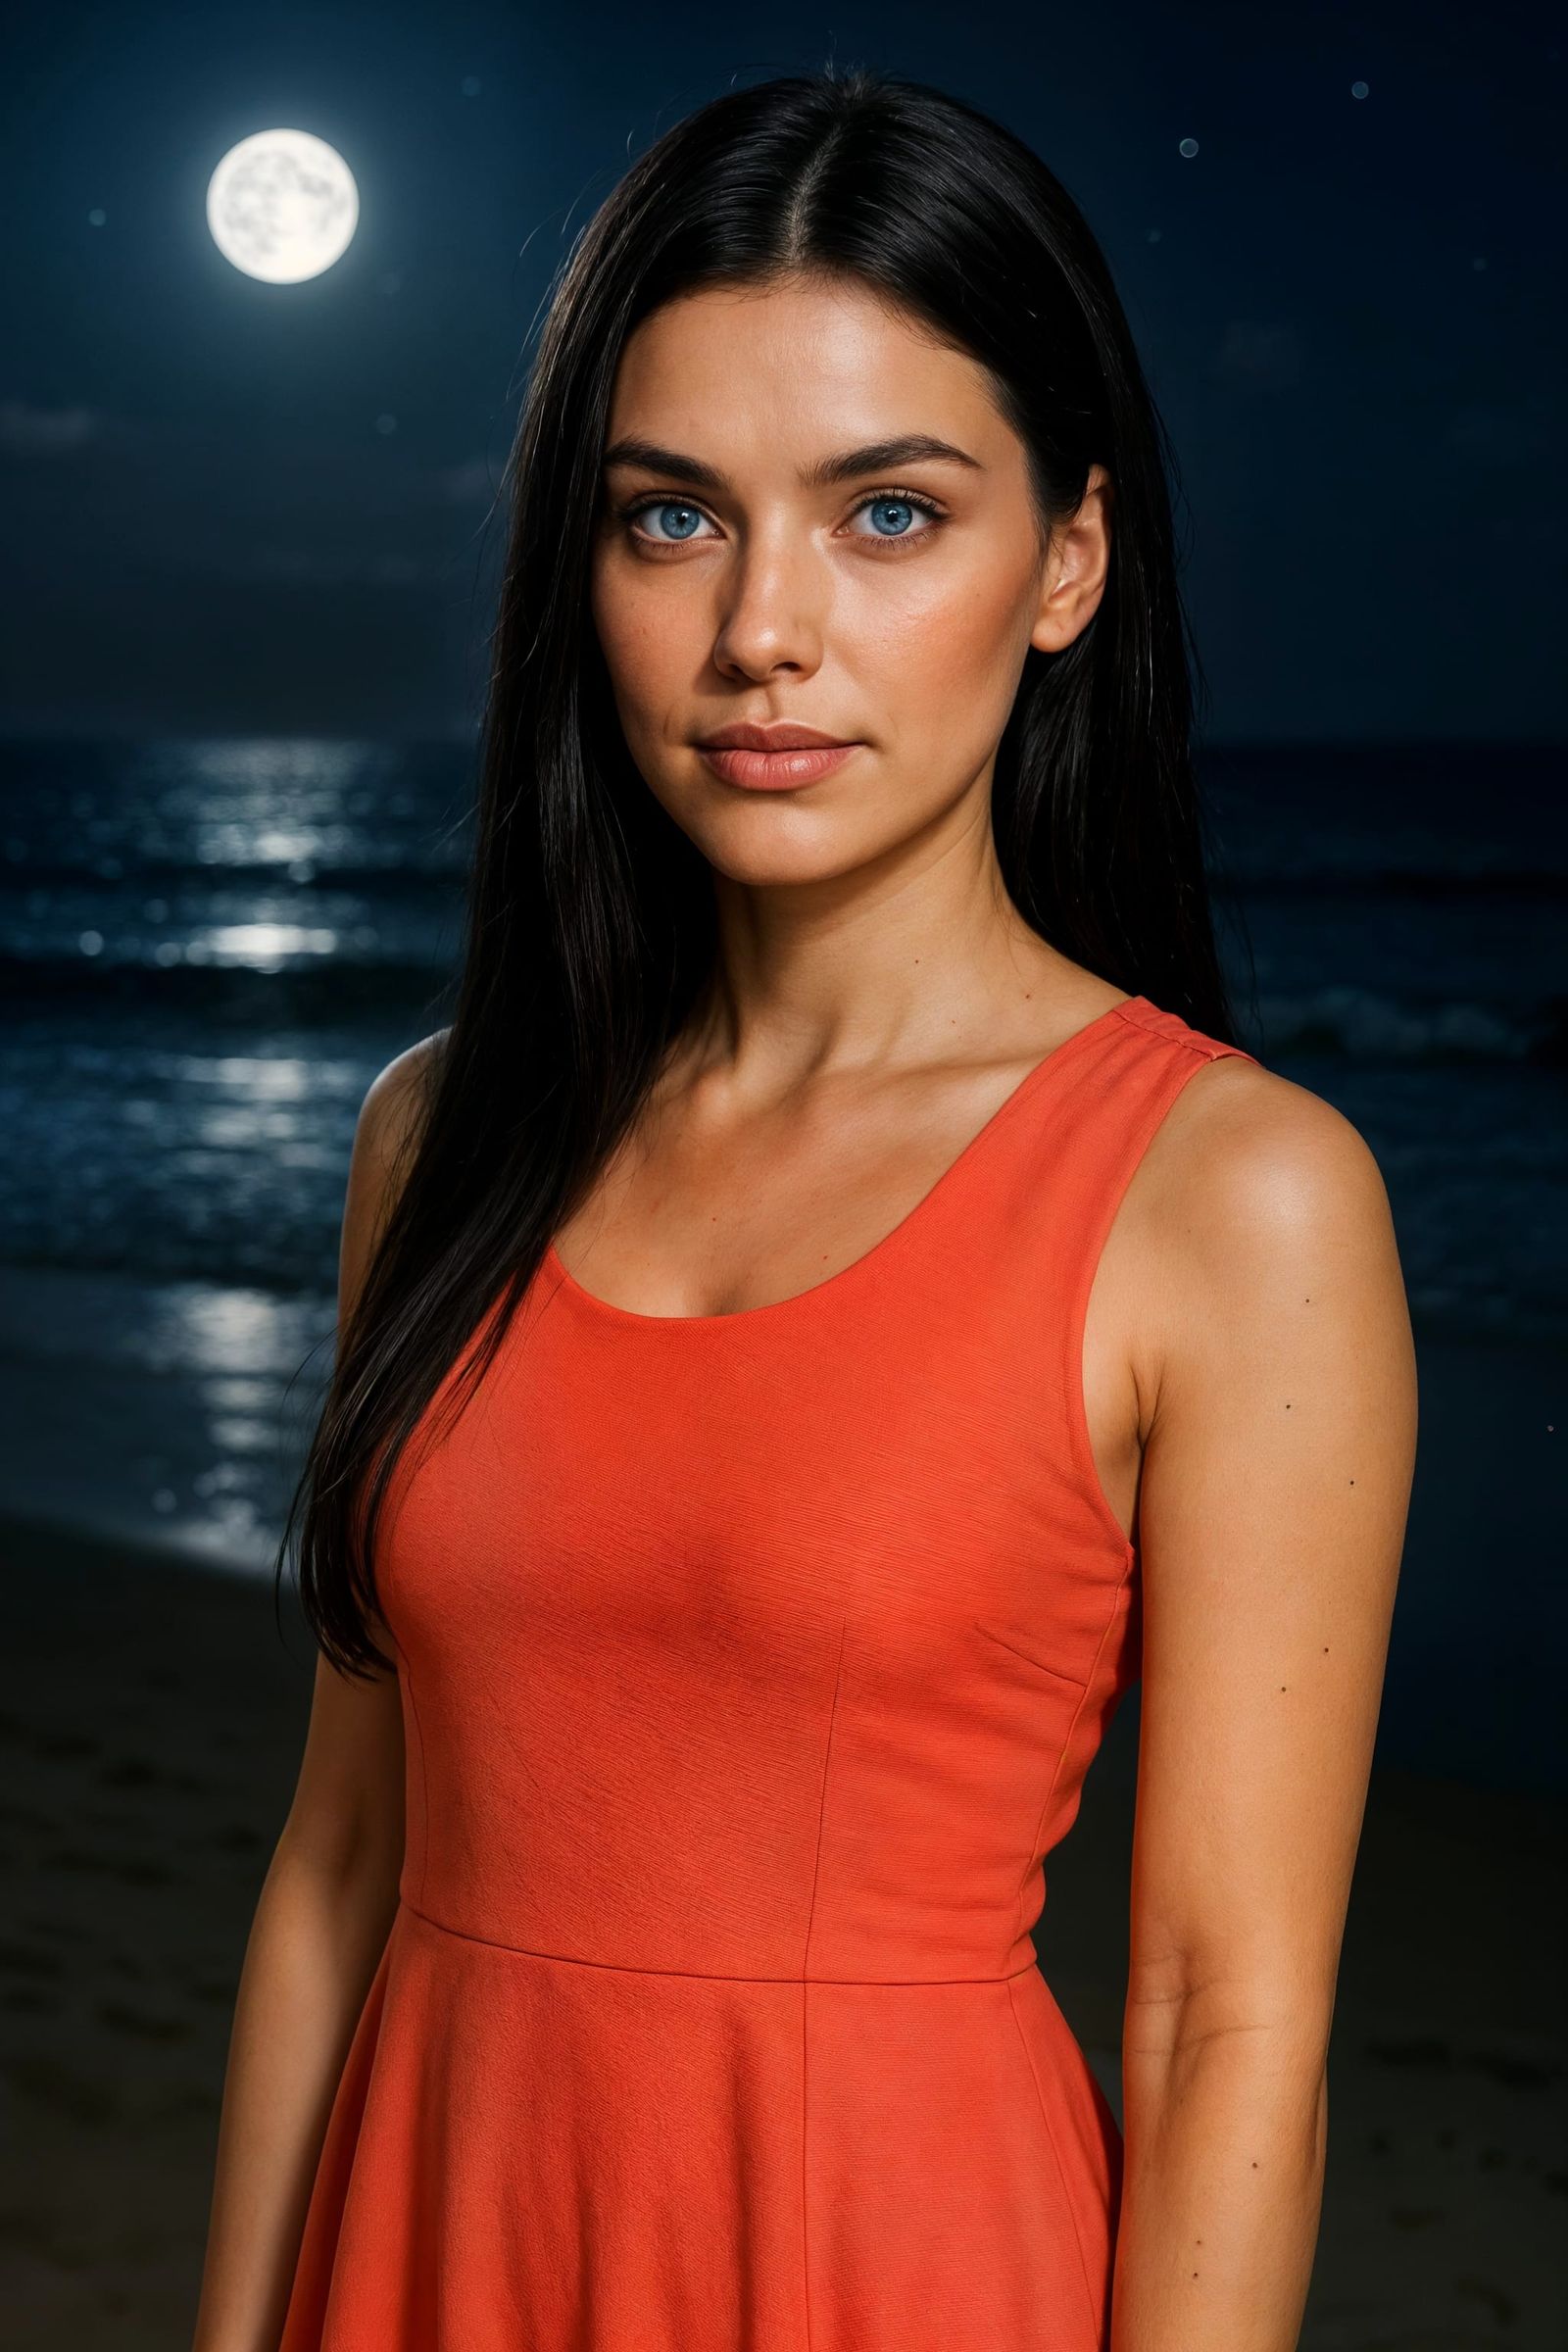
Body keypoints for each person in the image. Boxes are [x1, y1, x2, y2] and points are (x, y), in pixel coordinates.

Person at [191, 66, 1416, 2352]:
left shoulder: (1228, 1199)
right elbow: (337, 1865)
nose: (764, 628)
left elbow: (1216, 2017)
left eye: (884, 516)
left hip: (890, 2269)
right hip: (422, 2253)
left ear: (1064, 559)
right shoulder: (435, 1142)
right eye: (671, 520)